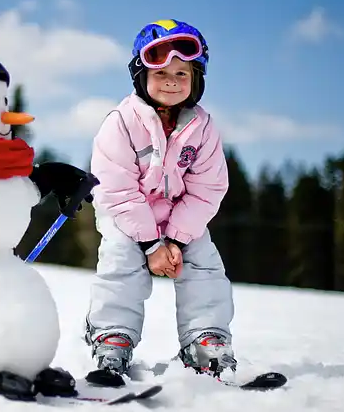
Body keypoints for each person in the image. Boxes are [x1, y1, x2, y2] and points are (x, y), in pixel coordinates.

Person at [83, 19, 236, 382]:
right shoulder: (120, 123)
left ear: (197, 79)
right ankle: (113, 338)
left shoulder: (203, 128)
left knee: (204, 265)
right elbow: (116, 189)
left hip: (180, 219)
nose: (172, 81)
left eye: (182, 74)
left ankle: (205, 340)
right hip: (128, 217)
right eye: (162, 72)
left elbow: (207, 188)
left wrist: (179, 238)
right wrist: (151, 242)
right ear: (140, 76)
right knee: (121, 262)